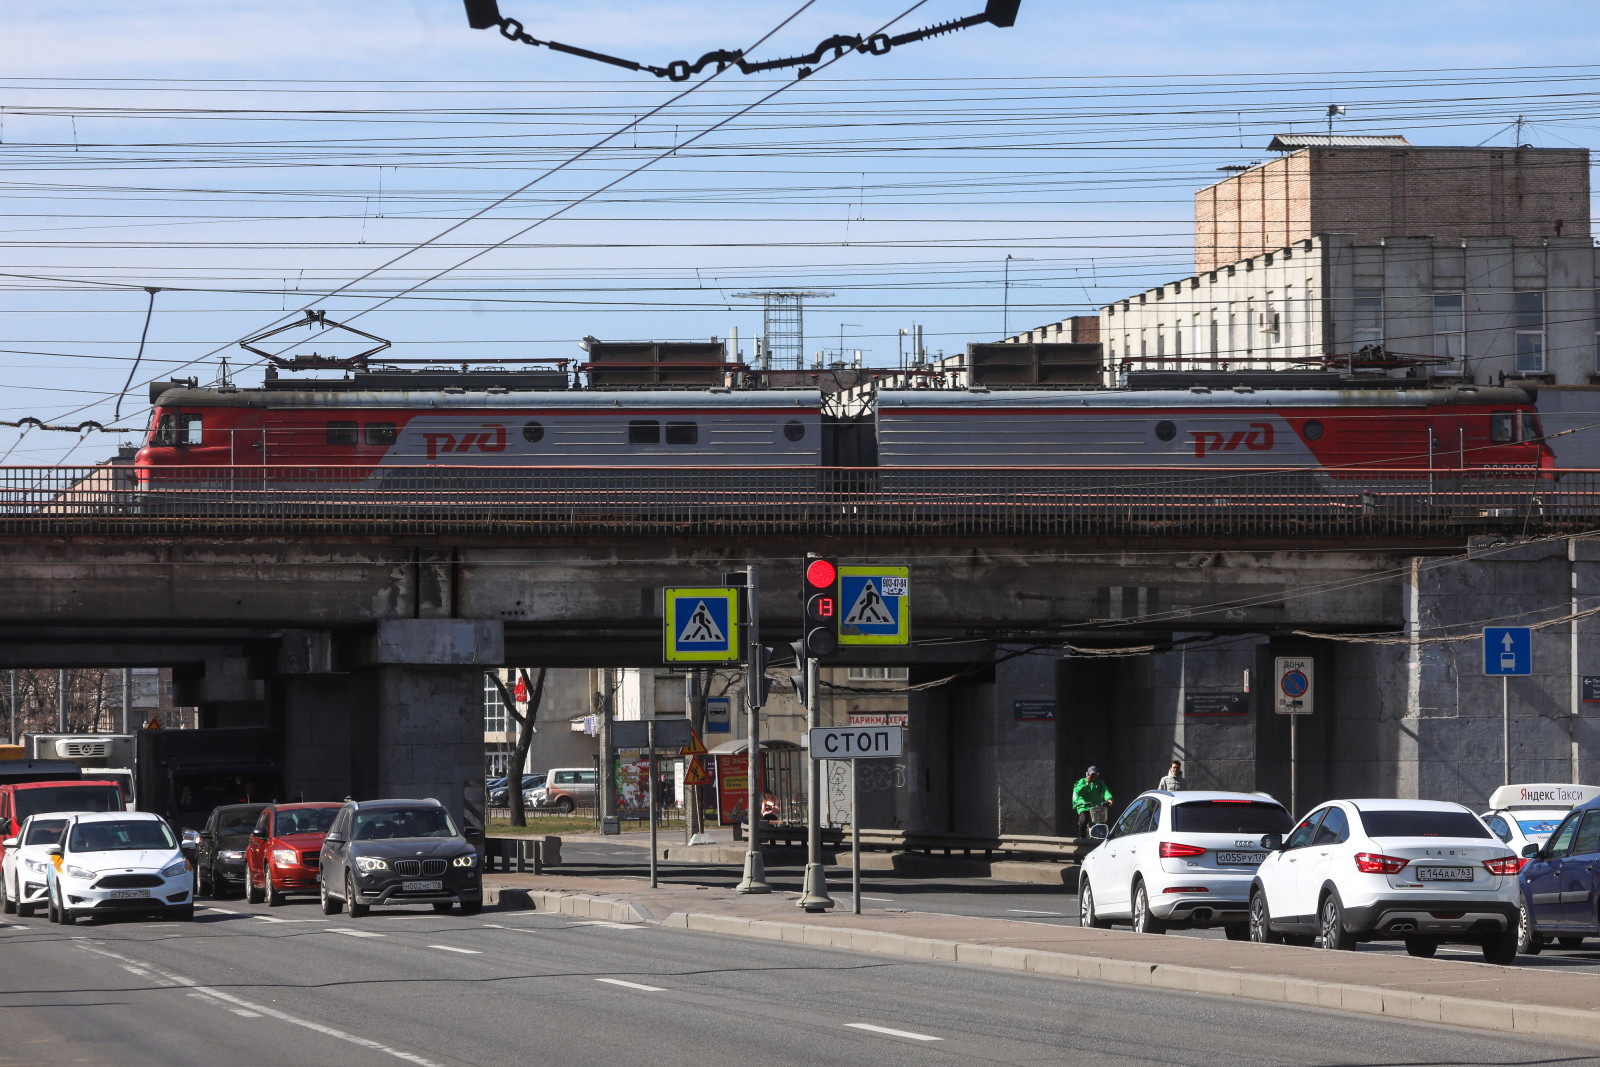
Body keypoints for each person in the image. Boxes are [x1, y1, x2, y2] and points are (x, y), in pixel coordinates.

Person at [1072, 766, 1114, 837]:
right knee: (1083, 821)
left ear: (1097, 774)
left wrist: (1109, 799)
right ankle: (1082, 839)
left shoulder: (1100, 783)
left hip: (1095, 806)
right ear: (1088, 774)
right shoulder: (1082, 781)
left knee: (1099, 822)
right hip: (1084, 806)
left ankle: (1099, 838)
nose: (1093, 775)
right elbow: (1079, 792)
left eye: (1095, 774)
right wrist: (1087, 784)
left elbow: (1105, 791)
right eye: (1091, 774)